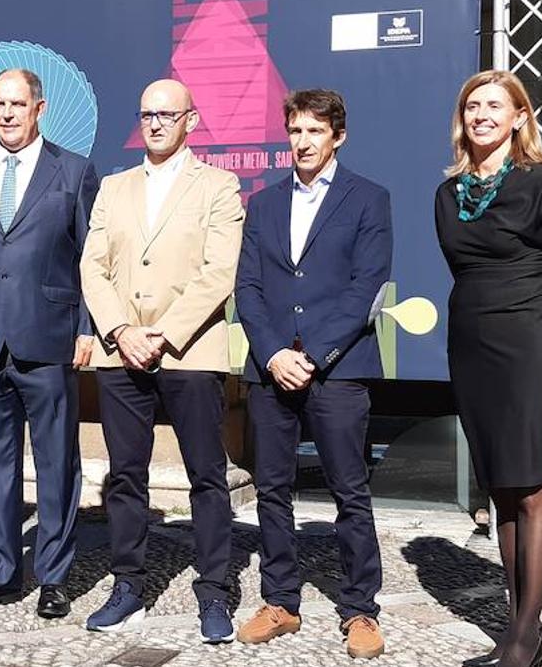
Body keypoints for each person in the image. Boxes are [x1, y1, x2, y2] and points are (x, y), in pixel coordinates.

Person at [79, 78, 243, 643]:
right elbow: (92, 266)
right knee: (125, 475)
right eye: (146, 113)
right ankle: (127, 585)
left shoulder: (219, 186)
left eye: (167, 114)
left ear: (191, 121)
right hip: (119, 351)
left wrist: (163, 333)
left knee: (206, 474)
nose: (154, 123)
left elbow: (219, 272)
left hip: (190, 350)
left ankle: (214, 591)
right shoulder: (114, 187)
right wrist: (122, 330)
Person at [435, 70, 542, 667]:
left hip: (530, 344)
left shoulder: (540, 186)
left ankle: (525, 638)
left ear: (520, 117)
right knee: (500, 487)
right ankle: (518, 625)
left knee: (530, 486)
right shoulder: (447, 195)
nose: (481, 115)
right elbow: (461, 269)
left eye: (495, 105)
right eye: (472, 105)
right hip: (471, 346)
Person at [234, 89, 392, 659]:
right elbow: (246, 287)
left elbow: (365, 289)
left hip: (340, 370)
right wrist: (274, 353)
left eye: (315, 132)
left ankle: (360, 610)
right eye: (296, 131)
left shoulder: (369, 199)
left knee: (350, 492)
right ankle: (280, 602)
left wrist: (314, 356)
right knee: (272, 490)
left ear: (338, 137)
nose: (303, 142)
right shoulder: (265, 203)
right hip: (270, 370)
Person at [0, 68, 98, 619]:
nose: (7, 113)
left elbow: (90, 262)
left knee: (56, 465)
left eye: (17, 104)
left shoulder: (73, 172)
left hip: (48, 339)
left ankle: (53, 577)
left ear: (39, 108)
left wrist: (87, 328)